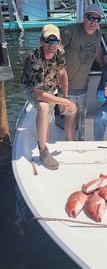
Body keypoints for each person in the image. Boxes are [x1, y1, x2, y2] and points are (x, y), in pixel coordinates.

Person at [21, 24, 77, 170]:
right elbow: (39, 94)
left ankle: (45, 137)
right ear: (41, 41)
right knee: (43, 106)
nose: (51, 45)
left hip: (49, 82)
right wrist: (65, 101)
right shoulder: (35, 59)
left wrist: (65, 97)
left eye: (55, 41)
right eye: (48, 41)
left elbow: (62, 73)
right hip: (31, 86)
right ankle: (43, 150)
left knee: (49, 118)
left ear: (59, 42)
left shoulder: (59, 52)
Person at [60, 3, 105, 141]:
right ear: (84, 17)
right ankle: (70, 143)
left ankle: (78, 140)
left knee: (79, 114)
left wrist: (106, 68)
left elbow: (98, 51)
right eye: (90, 17)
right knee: (69, 116)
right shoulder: (70, 31)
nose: (93, 22)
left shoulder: (97, 35)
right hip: (67, 86)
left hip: (83, 86)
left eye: (97, 19)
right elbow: (52, 49)